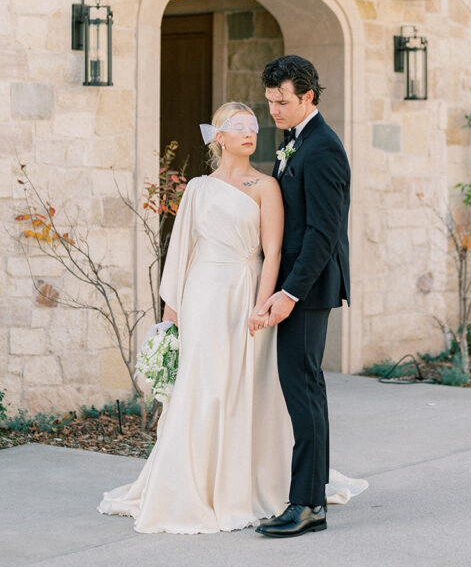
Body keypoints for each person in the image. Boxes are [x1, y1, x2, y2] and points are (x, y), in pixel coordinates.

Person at [98, 102, 292, 533]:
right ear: (218, 137)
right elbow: (182, 251)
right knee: (200, 386)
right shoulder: (198, 188)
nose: (248, 132)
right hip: (203, 294)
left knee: (239, 387)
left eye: (252, 126)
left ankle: (239, 485)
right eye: (237, 127)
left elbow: (273, 252)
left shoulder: (266, 186)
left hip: (245, 291)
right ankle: (188, 484)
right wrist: (172, 317)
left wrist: (262, 306)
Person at [252, 55, 351, 539]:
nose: (274, 110)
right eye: (270, 101)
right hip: (295, 287)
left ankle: (308, 504)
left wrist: (288, 292)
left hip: (307, 291)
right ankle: (311, 496)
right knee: (305, 389)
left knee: (303, 389)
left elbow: (323, 234)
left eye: (282, 101)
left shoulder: (324, 148)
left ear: (308, 96)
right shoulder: (296, 142)